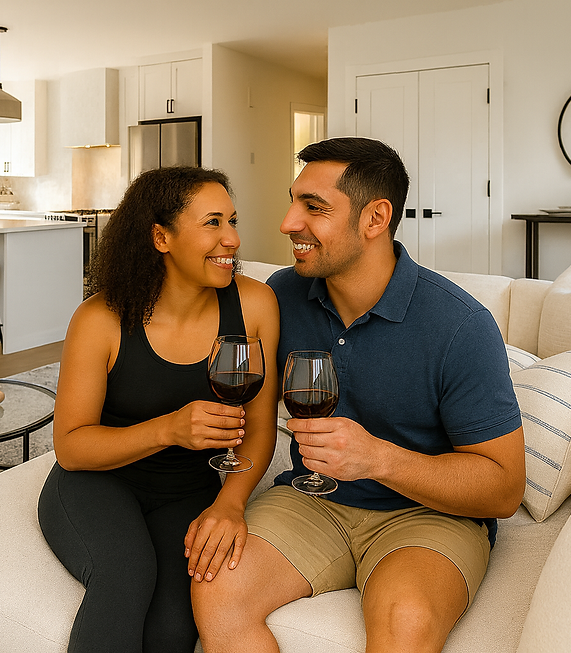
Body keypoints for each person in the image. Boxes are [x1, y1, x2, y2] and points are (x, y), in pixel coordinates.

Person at [192, 138, 525, 653]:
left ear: (376, 218)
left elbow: (504, 489)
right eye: (293, 202)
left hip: (426, 516)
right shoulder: (283, 295)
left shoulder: (460, 326)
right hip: (310, 501)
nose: (287, 223)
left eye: (314, 208)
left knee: (406, 624)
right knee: (216, 586)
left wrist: (377, 459)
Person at [38, 166, 280, 653]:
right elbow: (71, 448)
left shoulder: (255, 303)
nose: (232, 239)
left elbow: (259, 427)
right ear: (160, 236)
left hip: (188, 490)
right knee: (125, 576)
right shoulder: (100, 319)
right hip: (98, 481)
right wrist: (169, 429)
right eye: (212, 223)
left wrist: (230, 503)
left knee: (173, 625)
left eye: (233, 221)